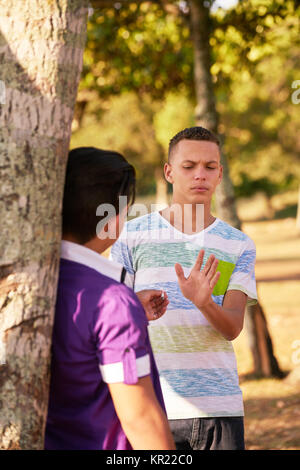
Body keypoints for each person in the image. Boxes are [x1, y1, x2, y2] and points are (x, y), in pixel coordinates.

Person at [111, 126, 258, 450]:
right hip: (150, 405)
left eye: (209, 167)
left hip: (219, 408)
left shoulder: (238, 245)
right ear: (169, 172)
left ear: (220, 174)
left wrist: (204, 302)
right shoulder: (132, 235)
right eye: (189, 167)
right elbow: (111, 320)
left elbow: (232, 327)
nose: (200, 176)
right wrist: (135, 305)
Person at [45, 147, 175, 450]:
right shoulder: (113, 302)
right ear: (112, 218)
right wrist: (122, 311)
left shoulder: (31, 284)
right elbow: (139, 418)